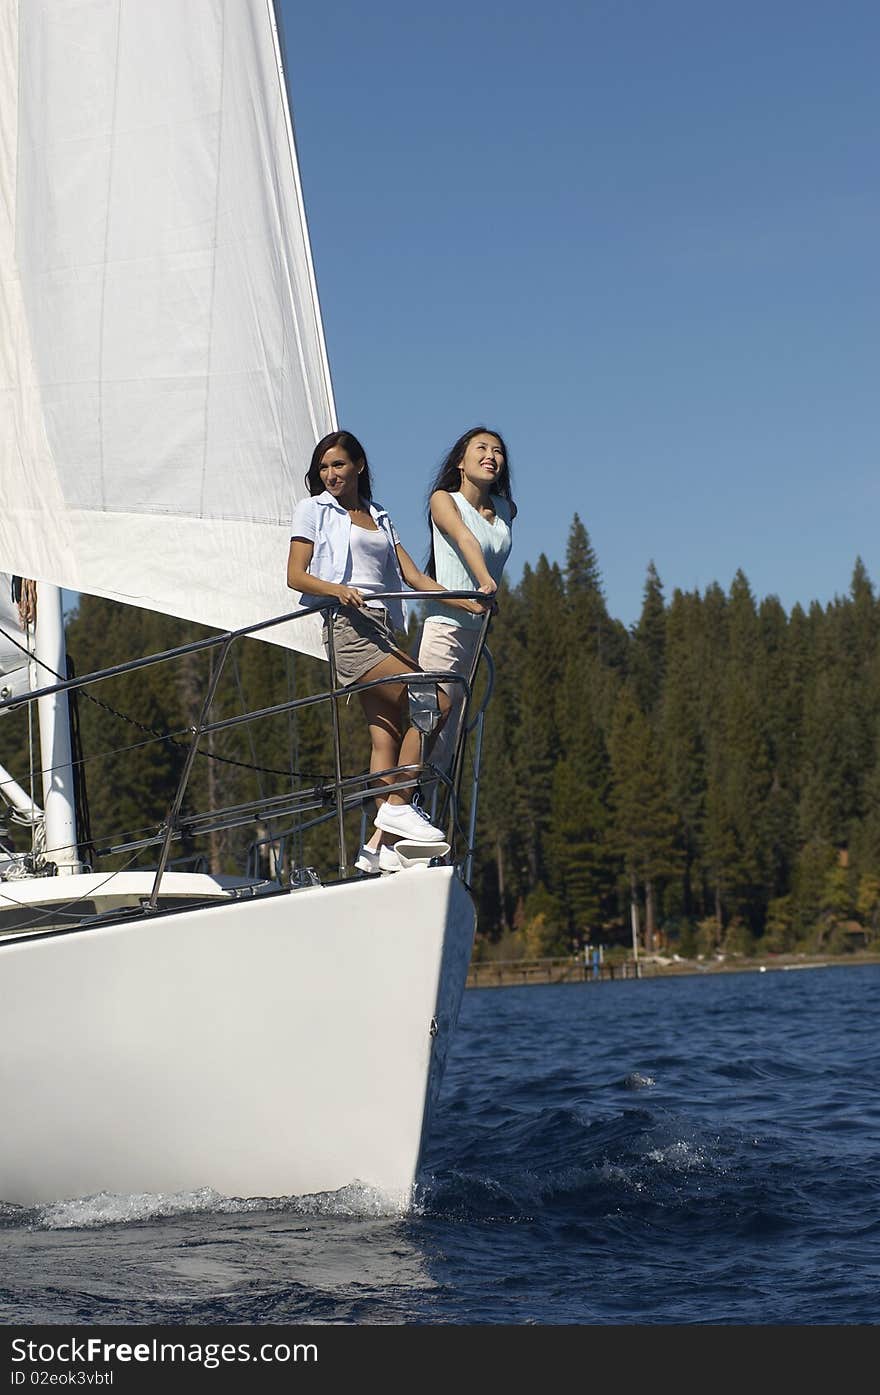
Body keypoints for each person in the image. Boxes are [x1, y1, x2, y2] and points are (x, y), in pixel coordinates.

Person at [287, 430, 488, 872]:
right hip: (348, 626)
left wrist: (466, 599)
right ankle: (398, 808)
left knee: (387, 737)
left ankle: (378, 848)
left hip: (382, 629)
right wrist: (338, 590)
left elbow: (414, 577)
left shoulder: (379, 515)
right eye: (323, 468)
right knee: (434, 700)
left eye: (338, 465)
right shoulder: (314, 510)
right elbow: (296, 576)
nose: (330, 475)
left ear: (359, 466)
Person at [358, 426, 515, 870]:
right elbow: (464, 538)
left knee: (444, 740)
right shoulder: (443, 500)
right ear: (460, 462)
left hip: (475, 635)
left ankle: (380, 846)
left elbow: (490, 537)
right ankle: (392, 814)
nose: (491, 456)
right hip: (446, 626)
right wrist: (484, 582)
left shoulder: (506, 509)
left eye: (497, 451)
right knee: (429, 716)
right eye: (480, 449)